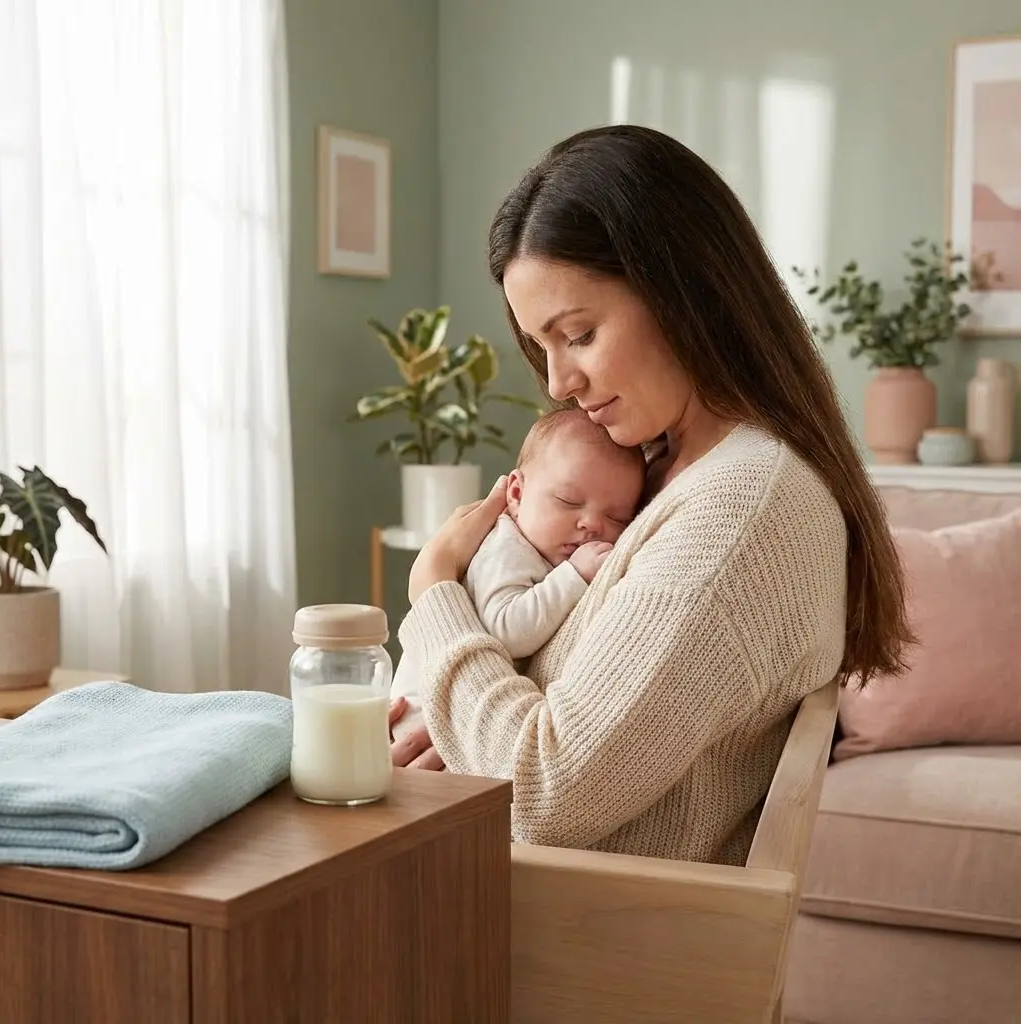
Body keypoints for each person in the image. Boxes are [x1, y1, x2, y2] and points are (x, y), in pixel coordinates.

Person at [388, 124, 911, 865]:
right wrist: (465, 733)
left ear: (682, 292)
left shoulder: (740, 512)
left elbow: (544, 793)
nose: (557, 383)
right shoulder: (663, 473)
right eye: (541, 347)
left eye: (578, 334)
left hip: (570, 922)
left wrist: (435, 588)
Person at [390, 407, 645, 742]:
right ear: (516, 494)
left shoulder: (541, 549)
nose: (592, 524)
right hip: (424, 716)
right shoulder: (507, 548)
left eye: (617, 518)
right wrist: (573, 576)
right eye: (569, 501)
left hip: (469, 716)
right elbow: (507, 630)